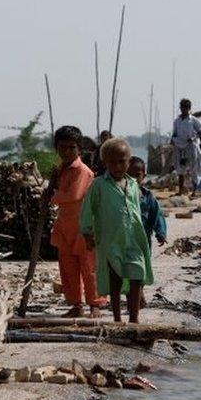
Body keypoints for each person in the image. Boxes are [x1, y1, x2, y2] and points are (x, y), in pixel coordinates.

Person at [80, 138, 154, 323]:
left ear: (128, 161)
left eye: (122, 161)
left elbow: (136, 209)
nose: (117, 166)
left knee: (137, 274)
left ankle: (134, 318)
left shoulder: (133, 185)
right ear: (105, 162)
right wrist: (87, 233)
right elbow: (87, 209)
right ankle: (117, 318)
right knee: (116, 277)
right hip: (111, 239)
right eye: (112, 162)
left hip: (134, 238)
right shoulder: (99, 185)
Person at [48, 126, 105, 318]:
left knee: (89, 268)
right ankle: (75, 304)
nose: (66, 152)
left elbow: (74, 195)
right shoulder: (61, 171)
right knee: (68, 268)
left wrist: (51, 196)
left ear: (79, 149)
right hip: (65, 225)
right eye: (62, 147)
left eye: (71, 148)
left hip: (85, 226)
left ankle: (94, 304)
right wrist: (52, 186)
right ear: (56, 148)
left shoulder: (83, 171)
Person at [127, 157, 167, 249]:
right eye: (129, 175)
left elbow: (157, 214)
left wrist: (161, 232)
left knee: (143, 261)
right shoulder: (119, 195)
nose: (133, 179)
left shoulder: (147, 196)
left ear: (144, 176)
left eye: (137, 175)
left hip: (143, 238)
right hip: (124, 239)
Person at [171, 99, 201, 197]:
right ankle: (181, 190)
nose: (183, 109)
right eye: (182, 107)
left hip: (191, 146)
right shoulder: (177, 121)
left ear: (189, 108)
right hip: (179, 146)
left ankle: (194, 191)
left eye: (185, 108)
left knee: (194, 168)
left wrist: (194, 137)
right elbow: (175, 133)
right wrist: (172, 140)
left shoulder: (193, 120)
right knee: (180, 168)